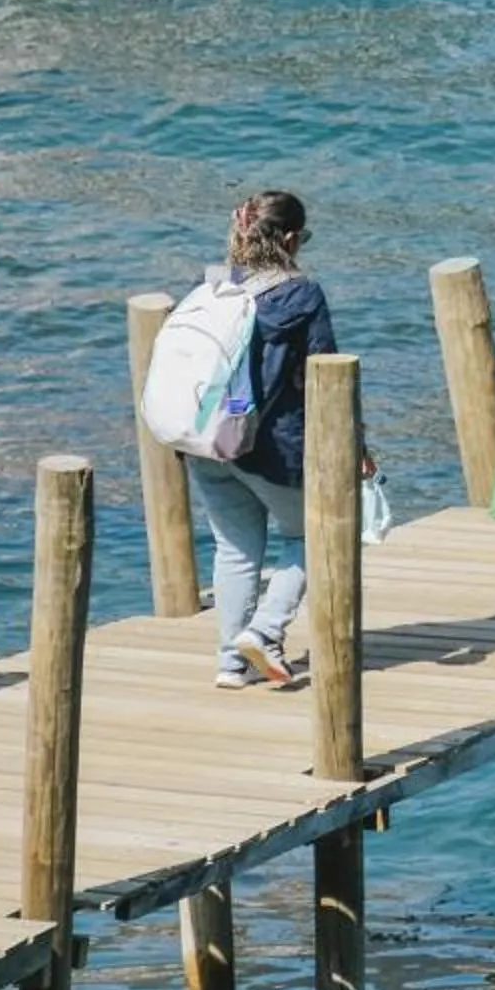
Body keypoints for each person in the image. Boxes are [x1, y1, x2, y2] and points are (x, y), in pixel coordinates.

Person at [190, 191, 349, 689]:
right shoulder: (303, 295)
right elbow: (325, 374)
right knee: (315, 535)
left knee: (234, 549)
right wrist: (356, 448)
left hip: (209, 439)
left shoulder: (212, 287)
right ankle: (264, 630)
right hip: (271, 447)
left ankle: (231, 664)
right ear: (290, 240)